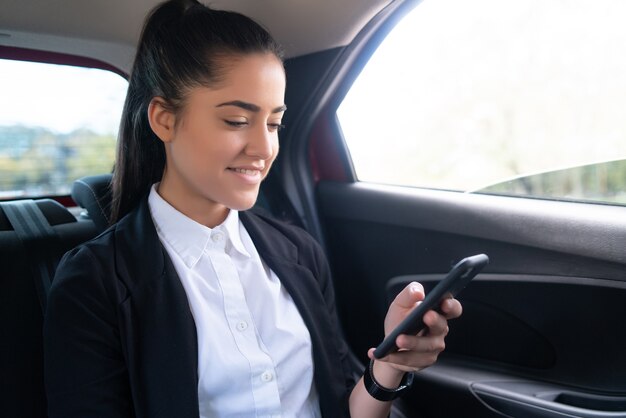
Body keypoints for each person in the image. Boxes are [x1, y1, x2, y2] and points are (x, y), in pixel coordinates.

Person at [43, 0, 462, 417]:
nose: (264, 148)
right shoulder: (92, 285)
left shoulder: (299, 253)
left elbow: (340, 407)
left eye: (274, 124)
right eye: (236, 121)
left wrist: (388, 365)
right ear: (164, 119)